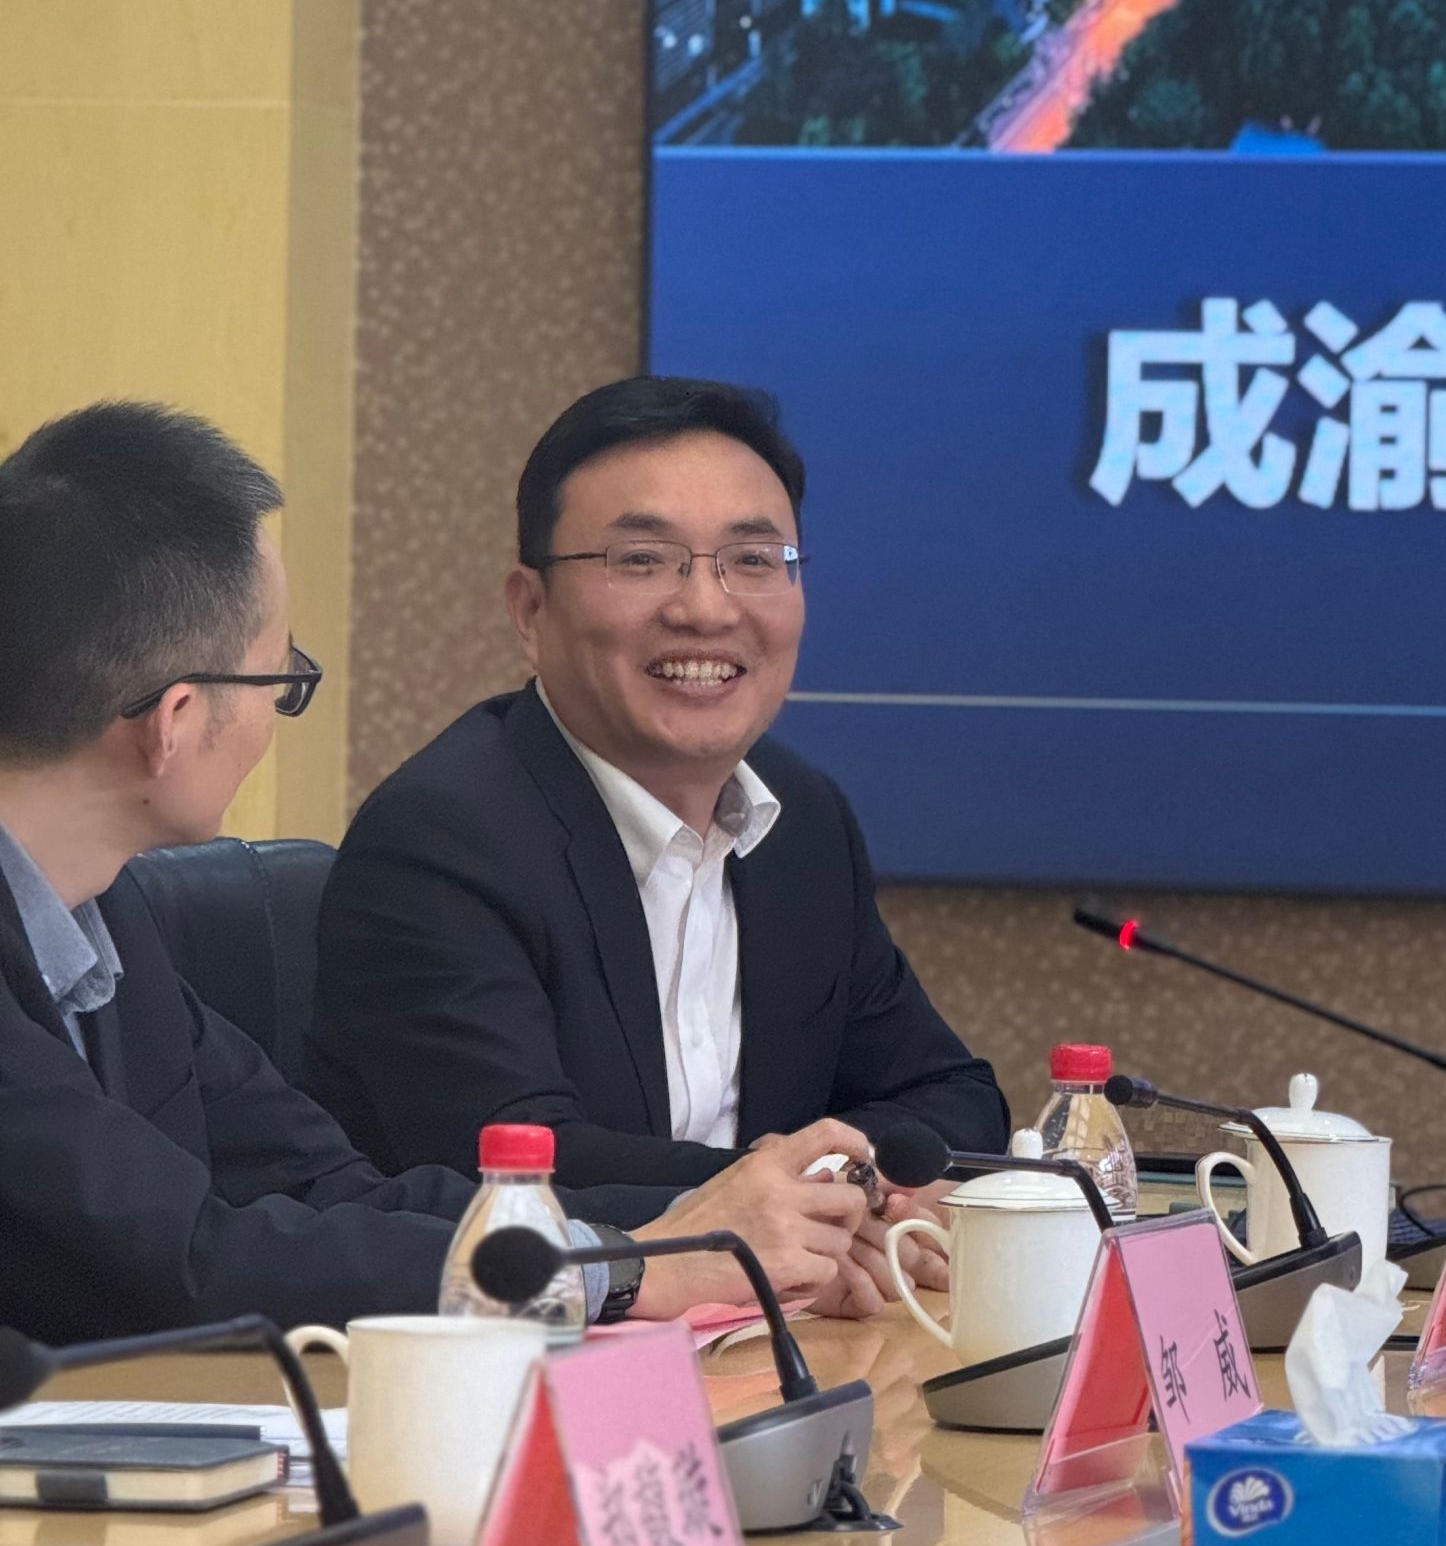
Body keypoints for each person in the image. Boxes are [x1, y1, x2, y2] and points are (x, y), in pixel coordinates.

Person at [0, 401, 887, 1343]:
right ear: (175, 722)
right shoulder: (444, 830)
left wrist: (703, 1229)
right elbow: (192, 1261)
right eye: (279, 681)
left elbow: (330, 1187)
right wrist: (629, 1270)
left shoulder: (105, 916)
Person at [305, 376, 1004, 1309]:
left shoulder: (800, 820)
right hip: (517, 1354)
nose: (707, 609)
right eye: (643, 560)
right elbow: (509, 1163)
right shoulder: (443, 838)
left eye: (753, 560)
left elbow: (951, 1096)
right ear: (530, 610)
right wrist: (808, 1201)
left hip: (756, 1340)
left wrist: (841, 1193)